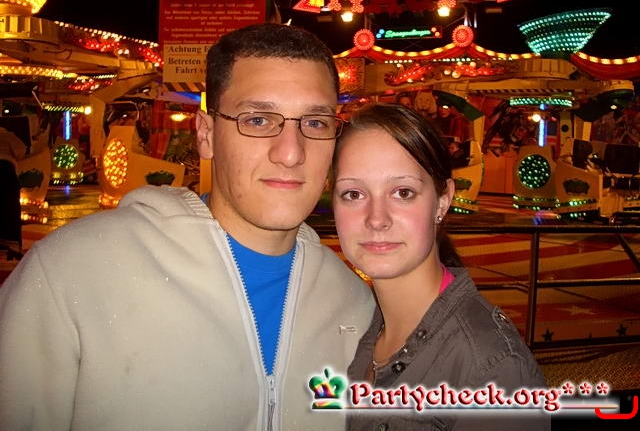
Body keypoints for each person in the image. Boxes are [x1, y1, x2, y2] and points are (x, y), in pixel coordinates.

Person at [0, 23, 374, 430]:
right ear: (206, 135)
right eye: (258, 119)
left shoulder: (355, 303)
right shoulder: (72, 273)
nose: (290, 153)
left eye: (315, 123)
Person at [331, 103, 550, 430]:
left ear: (443, 200)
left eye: (403, 192)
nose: (376, 219)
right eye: (353, 194)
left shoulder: (490, 370)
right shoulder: (361, 326)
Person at [0, 126, 27, 260]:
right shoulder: (8, 136)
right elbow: (21, 151)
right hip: (6, 171)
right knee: (11, 209)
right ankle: (13, 245)